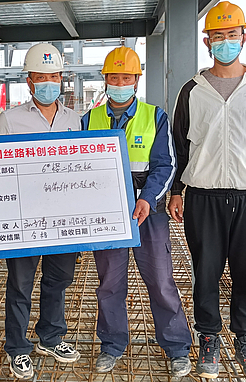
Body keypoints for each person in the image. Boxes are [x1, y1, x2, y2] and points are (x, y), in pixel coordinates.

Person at [167, 1, 246, 382]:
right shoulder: (192, 91)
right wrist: (177, 190)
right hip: (204, 196)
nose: (226, 42)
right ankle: (209, 339)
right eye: (218, 36)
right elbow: (180, 145)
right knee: (206, 272)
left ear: (244, 37)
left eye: (232, 35)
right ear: (207, 42)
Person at [82, 46, 192, 376]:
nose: (119, 83)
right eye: (113, 77)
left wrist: (147, 198)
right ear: (105, 80)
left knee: (160, 281)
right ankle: (112, 344)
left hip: (149, 213)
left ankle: (176, 347)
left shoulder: (155, 116)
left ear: (136, 81)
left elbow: (165, 164)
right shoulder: (89, 120)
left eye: (126, 78)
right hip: (108, 216)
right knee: (109, 283)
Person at [0, 43, 82, 379]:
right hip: (24, 220)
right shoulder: (9, 120)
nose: (48, 83)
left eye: (54, 76)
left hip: (63, 218)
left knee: (59, 280)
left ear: (61, 79)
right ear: (29, 81)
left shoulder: (75, 120)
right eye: (41, 77)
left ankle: (51, 337)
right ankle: (18, 348)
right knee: (20, 284)